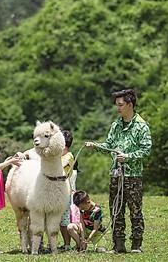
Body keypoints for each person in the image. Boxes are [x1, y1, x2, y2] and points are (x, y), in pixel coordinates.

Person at [85, 89, 152, 253]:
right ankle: (118, 245)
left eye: (120, 105)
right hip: (116, 174)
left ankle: (136, 245)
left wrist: (128, 157)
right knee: (116, 210)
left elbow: (146, 149)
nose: (118, 108)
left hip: (132, 176)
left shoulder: (141, 126)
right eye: (117, 105)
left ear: (130, 104)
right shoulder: (116, 125)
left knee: (135, 211)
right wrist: (95, 145)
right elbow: (109, 146)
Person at [59, 130, 75, 251]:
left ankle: (67, 244)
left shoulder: (68, 156)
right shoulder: (59, 156)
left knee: (64, 220)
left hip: (64, 192)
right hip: (54, 191)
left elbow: (61, 166)